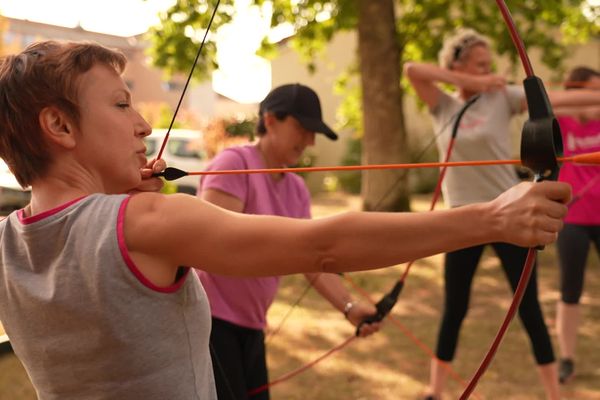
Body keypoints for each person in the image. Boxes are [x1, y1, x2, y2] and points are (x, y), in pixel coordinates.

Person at [0, 40, 571, 400]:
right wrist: (494, 217)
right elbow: (324, 244)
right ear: (61, 126)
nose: (144, 126)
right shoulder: (143, 220)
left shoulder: (8, 243)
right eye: (122, 105)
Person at [404, 28, 600, 400]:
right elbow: (413, 69)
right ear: (457, 66)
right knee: (454, 308)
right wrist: (468, 81)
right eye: (480, 65)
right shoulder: (443, 104)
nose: (490, 72)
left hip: (509, 213)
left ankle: (554, 395)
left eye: (490, 65)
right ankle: (435, 392)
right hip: (460, 217)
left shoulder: (501, 98)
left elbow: (557, 99)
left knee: (528, 309)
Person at [197, 83, 380, 400]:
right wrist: (292, 251)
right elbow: (212, 246)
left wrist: (349, 308)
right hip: (211, 323)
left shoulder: (296, 189)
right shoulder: (234, 164)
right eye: (302, 128)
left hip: (252, 325)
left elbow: (313, 260)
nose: (309, 141)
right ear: (270, 120)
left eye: (314, 133)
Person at [553, 66, 600, 384]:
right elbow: (544, 102)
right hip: (573, 218)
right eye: (591, 91)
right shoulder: (562, 120)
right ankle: (567, 358)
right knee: (571, 290)